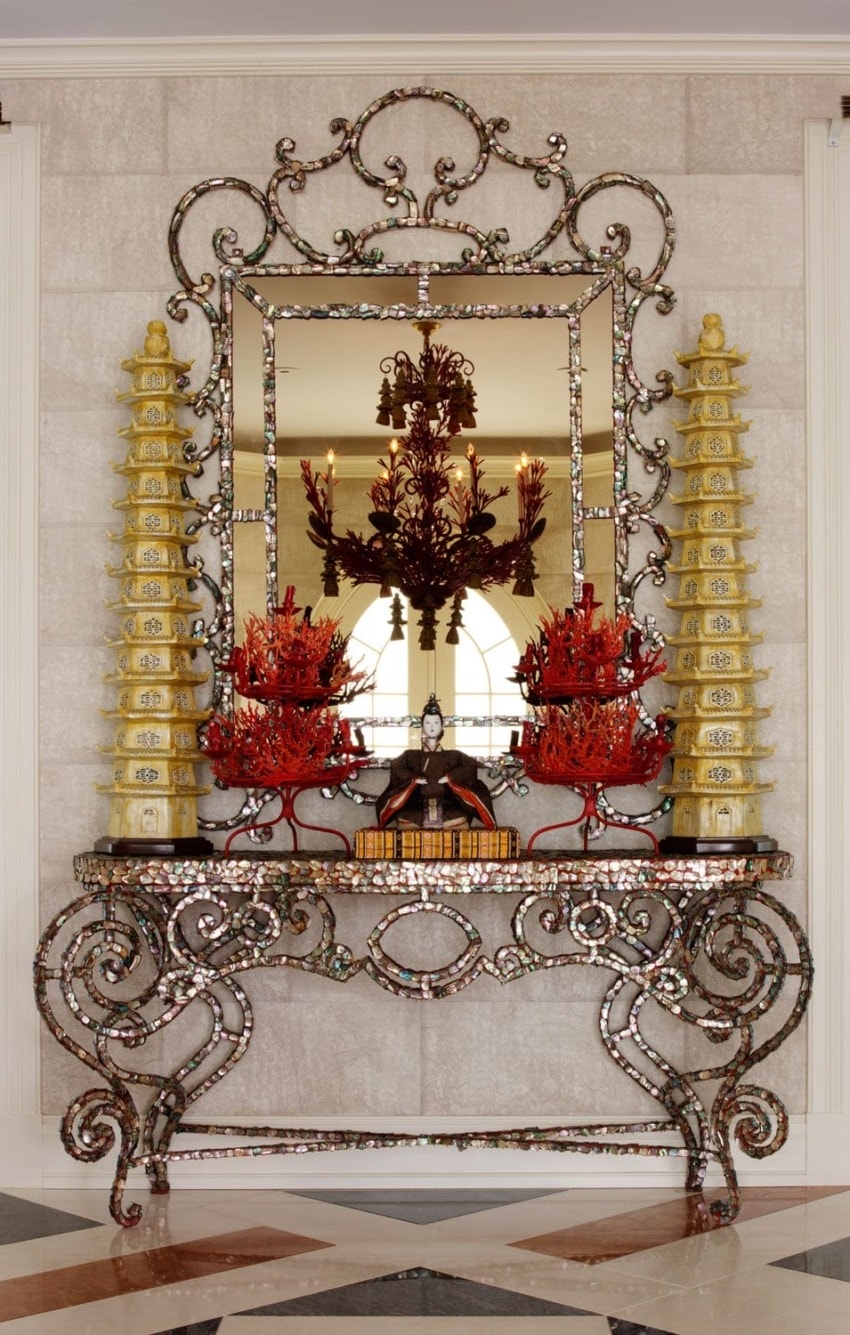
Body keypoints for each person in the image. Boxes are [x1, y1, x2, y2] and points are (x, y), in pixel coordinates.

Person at [375, 695, 496, 830]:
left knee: (458, 817)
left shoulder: (453, 755)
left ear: (442, 725)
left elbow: (470, 765)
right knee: (407, 817)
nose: (432, 726)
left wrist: (450, 778)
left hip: (448, 804)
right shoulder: (410, 755)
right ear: (422, 725)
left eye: (436, 722)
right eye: (427, 722)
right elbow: (397, 767)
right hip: (417, 804)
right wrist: (414, 779)